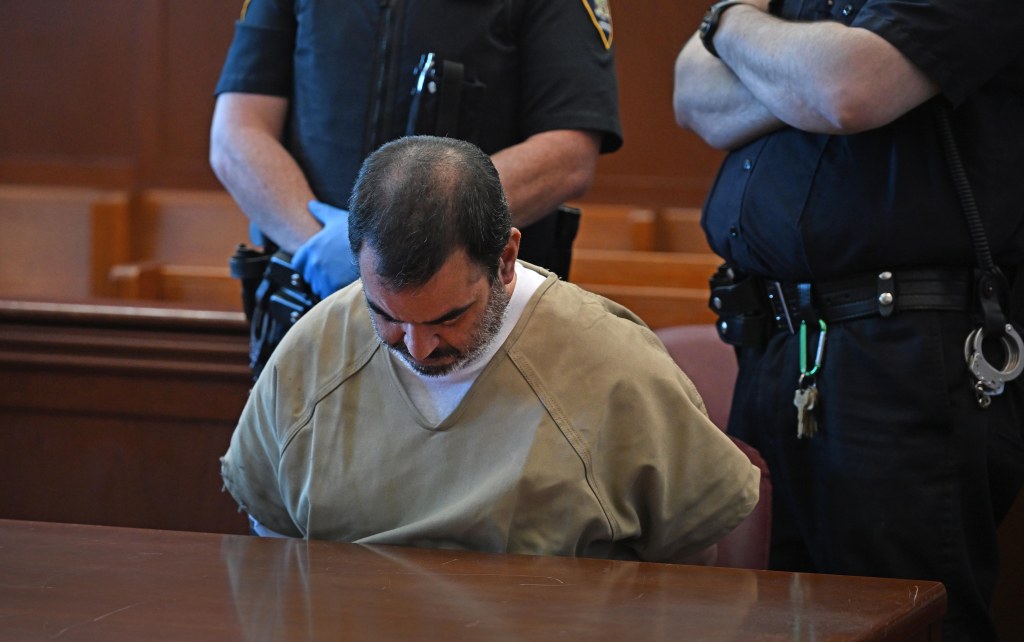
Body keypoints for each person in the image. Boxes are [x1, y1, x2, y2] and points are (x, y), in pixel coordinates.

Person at [220, 135, 760, 563]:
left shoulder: (614, 363)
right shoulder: (315, 347)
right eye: (385, 315)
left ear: (505, 259)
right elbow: (271, 537)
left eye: (448, 317)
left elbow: (692, 559)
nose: (417, 346)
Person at [673, 1, 1024, 639]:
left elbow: (847, 89)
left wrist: (725, 22)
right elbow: (691, 94)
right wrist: (800, 79)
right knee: (772, 618)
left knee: (897, 619)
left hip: (901, 356)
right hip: (776, 339)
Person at [209, 0, 623, 375]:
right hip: (312, 304)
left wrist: (397, 245)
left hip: (466, 324)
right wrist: (324, 245)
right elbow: (235, 134)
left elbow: (569, 152)